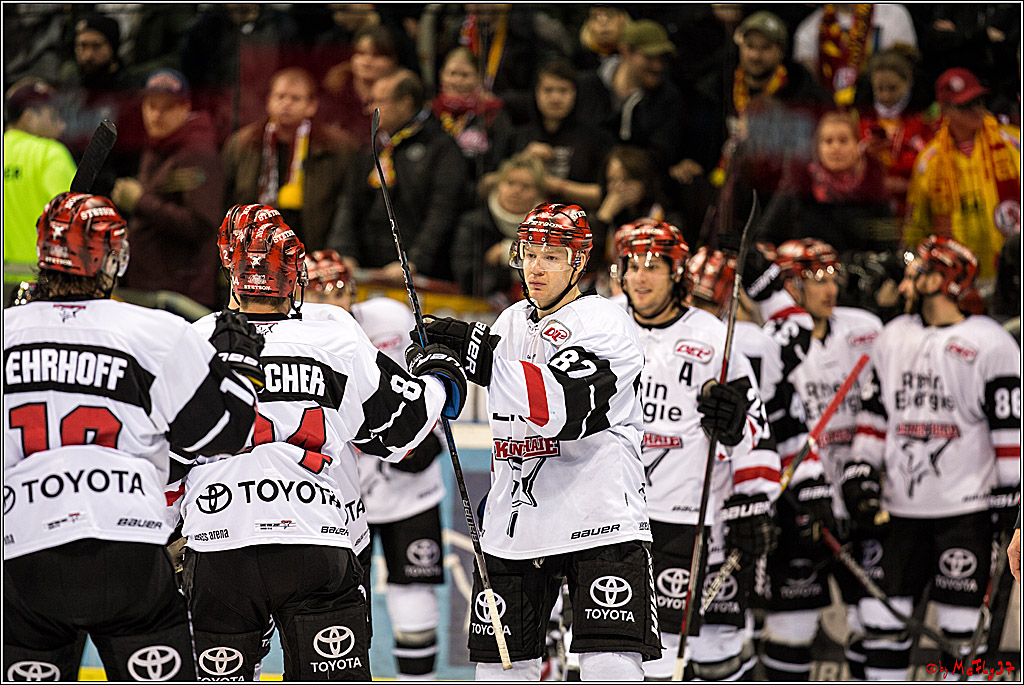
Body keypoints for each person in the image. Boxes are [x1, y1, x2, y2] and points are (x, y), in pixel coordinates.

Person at [179, 212, 467, 681]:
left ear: (230, 270)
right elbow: (401, 430)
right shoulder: (330, 331)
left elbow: (166, 456)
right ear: (295, 276)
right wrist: (440, 380)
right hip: (316, 540)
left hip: (219, 544)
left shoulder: (194, 339)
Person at [3, 192, 261, 681]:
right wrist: (239, 371)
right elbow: (220, 436)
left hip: (24, 556)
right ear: (116, 257)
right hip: (128, 552)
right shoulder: (155, 331)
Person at [417, 203, 660, 679]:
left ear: (579, 262)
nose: (535, 267)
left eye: (551, 255)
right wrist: (439, 371)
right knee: (502, 672)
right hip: (519, 524)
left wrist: (480, 357)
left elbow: (565, 408)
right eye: (529, 253)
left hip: (600, 517)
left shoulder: (604, 321)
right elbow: (490, 386)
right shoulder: (508, 323)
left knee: (610, 667)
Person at [850, 236, 1020, 679]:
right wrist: (861, 470)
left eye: (918, 272)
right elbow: (875, 415)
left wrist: (1012, 496)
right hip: (898, 511)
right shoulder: (892, 336)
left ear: (943, 279)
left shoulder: (992, 342)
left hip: (965, 510)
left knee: (961, 634)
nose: (907, 282)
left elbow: (1010, 431)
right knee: (881, 623)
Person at [615, 221, 777, 680]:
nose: (640, 277)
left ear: (677, 274)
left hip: (682, 514)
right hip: (608, 515)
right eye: (631, 266)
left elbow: (754, 429)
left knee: (666, 654)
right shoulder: (601, 324)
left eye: (653, 266)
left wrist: (753, 499)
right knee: (602, 651)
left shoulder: (712, 337)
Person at [686, 244, 834, 681]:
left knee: (678, 638)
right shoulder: (749, 340)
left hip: (674, 504)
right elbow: (797, 331)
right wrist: (766, 282)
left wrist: (809, 480)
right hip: (735, 500)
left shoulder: (668, 335)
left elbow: (784, 422)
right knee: (720, 636)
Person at [304, 250, 448, 680]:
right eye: (318, 290)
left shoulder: (390, 317)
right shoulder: (296, 339)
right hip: (342, 496)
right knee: (346, 602)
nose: (333, 300)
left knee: (415, 591)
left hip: (410, 487)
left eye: (339, 289)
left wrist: (430, 433)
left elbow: (423, 374)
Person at [776, 239, 884, 681]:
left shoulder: (865, 330)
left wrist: (863, 467)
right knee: (792, 628)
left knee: (878, 621)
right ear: (789, 285)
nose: (829, 288)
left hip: (860, 499)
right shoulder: (771, 344)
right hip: (800, 505)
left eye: (832, 276)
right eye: (815, 279)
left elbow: (883, 405)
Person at [327, 69, 467, 284]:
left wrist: (414, 261)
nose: (369, 109)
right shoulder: (371, 146)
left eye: (378, 101)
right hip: (367, 269)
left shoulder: (441, 147)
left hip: (420, 275)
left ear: (406, 103)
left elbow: (442, 212)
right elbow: (348, 203)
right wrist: (343, 253)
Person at [112, 69, 224, 309]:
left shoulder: (197, 153)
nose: (156, 115)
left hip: (180, 297)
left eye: (167, 108)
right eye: (151, 106)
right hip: (151, 288)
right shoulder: (158, 145)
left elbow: (201, 225)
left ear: (186, 108)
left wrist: (140, 202)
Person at [904, 67, 1021, 288]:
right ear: (945, 110)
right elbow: (916, 224)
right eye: (966, 106)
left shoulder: (1013, 144)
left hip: (1013, 273)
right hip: (956, 279)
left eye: (979, 102)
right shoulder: (929, 162)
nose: (977, 110)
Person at [222, 67, 355, 252]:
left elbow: (346, 206)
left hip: (313, 249)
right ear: (269, 101)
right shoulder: (242, 144)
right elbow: (227, 202)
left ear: (312, 106)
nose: (286, 104)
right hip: (255, 250)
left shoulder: (337, 147)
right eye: (280, 96)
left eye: (295, 99)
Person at [501, 59, 616, 209]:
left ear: (575, 93)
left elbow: (609, 194)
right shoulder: (517, 136)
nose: (555, 98)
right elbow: (490, 183)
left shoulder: (597, 138)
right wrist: (524, 160)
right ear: (536, 93)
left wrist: (558, 187)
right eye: (548, 90)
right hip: (522, 222)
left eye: (563, 90)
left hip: (577, 223)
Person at [576, 19, 686, 173]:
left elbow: (661, 154)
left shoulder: (667, 98)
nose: (658, 66)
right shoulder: (587, 86)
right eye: (649, 58)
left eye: (662, 59)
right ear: (626, 51)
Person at [3, 79, 76, 303]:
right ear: (29, 117)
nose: (61, 125)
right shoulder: (50, 154)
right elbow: (75, 219)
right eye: (53, 116)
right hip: (41, 287)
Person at [854, 46, 936, 216]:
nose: (885, 96)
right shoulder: (859, 121)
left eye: (892, 88)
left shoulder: (925, 122)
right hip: (869, 207)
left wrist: (907, 185)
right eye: (879, 89)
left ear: (908, 83)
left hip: (914, 207)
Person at [792, 4, 917, 106]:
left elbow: (903, 71)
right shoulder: (808, 30)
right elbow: (810, 85)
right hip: (831, 112)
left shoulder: (894, 16)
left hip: (882, 109)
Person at [432, 46, 512, 177]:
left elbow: (500, 157)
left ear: (479, 77)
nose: (457, 81)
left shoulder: (491, 112)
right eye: (452, 73)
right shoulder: (432, 112)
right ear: (442, 75)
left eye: (465, 75)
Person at [319, 25, 401, 147]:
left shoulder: (401, 98)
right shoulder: (334, 93)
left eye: (377, 55)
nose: (367, 62)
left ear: (393, 60)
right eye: (361, 53)